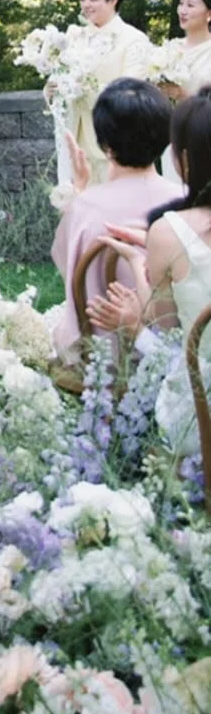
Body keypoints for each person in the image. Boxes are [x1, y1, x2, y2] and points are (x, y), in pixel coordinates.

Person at [87, 89, 211, 456]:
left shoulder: (168, 232)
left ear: (185, 159)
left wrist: (136, 262)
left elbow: (166, 332)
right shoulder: (169, 233)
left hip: (202, 420)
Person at [48, 78, 182, 365]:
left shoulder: (85, 207)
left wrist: (79, 191)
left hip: (100, 355)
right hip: (175, 356)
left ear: (105, 144)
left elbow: (67, 265)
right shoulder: (186, 202)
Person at [60, 0, 151, 186]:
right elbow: (60, 82)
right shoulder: (74, 37)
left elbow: (130, 91)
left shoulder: (133, 40)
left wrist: (86, 88)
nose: (86, 4)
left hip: (114, 139)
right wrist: (57, 87)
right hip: (77, 136)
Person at [154, 0, 211, 182]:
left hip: (205, 138)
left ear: (209, 13)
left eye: (191, 5)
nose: (183, 10)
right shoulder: (169, 50)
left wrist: (184, 96)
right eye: (181, 4)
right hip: (172, 136)